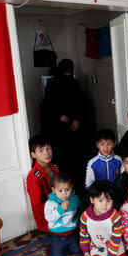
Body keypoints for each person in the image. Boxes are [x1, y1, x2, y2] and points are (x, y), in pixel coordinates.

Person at [41, 59, 86, 188]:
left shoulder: (75, 83)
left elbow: (80, 103)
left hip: (73, 125)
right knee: (60, 153)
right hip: (57, 127)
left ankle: (75, 181)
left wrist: (77, 119)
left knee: (75, 153)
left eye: (69, 73)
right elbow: (48, 105)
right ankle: (61, 181)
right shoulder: (52, 84)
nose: (67, 75)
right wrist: (58, 116)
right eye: (64, 72)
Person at [80, 180, 128, 256]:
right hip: (98, 247)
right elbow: (83, 234)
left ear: (112, 201)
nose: (105, 205)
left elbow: (116, 238)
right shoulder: (85, 217)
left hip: (114, 246)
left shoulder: (115, 216)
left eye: (108, 200)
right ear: (92, 200)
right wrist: (85, 250)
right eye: (100, 200)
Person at [44, 172, 82, 256]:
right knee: (57, 255)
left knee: (77, 250)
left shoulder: (74, 199)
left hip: (72, 232)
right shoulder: (50, 203)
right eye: (60, 191)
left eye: (67, 190)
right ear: (54, 190)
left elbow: (79, 210)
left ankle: (70, 244)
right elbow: (49, 218)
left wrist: (80, 222)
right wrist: (60, 209)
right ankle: (57, 244)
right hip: (57, 234)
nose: (64, 194)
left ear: (71, 188)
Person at [26, 135, 59, 233]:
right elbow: (38, 205)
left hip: (60, 209)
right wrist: (58, 211)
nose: (46, 153)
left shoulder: (55, 168)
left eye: (48, 148)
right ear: (33, 155)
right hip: (47, 217)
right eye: (41, 150)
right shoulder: (34, 177)